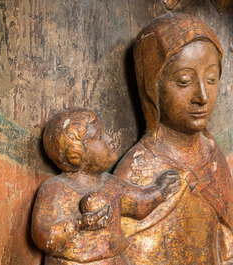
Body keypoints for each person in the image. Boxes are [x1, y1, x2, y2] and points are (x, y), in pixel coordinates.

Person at [114, 13, 233, 264]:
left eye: (212, 79)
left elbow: (232, 246)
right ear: (152, 87)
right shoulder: (137, 170)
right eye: (184, 81)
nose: (202, 96)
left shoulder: (213, 158)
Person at [31, 108, 181, 265]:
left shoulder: (111, 183)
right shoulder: (55, 189)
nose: (110, 139)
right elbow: (43, 236)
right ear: (76, 154)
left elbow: (138, 204)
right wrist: (80, 224)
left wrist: (160, 190)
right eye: (99, 137)